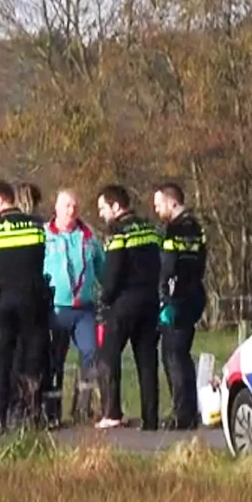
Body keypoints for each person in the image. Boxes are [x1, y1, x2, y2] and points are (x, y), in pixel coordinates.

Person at [0, 181, 49, 436]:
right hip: (32, 298)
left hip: (2, 300)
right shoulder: (37, 225)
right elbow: (40, 258)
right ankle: (29, 414)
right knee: (31, 358)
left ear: (0, 199)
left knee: (1, 360)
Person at [95, 184, 162, 430]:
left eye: (103, 208)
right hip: (150, 299)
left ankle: (111, 412)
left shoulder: (117, 230)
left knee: (108, 355)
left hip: (124, 302)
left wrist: (105, 299)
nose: (102, 214)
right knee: (146, 360)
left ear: (115, 206)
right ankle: (151, 418)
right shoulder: (150, 227)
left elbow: (113, 271)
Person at [45, 189, 106, 424]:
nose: (71, 211)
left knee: (90, 354)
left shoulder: (89, 236)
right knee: (54, 360)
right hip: (55, 308)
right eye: (67, 206)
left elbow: (103, 269)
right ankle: (52, 412)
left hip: (84, 309)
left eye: (75, 207)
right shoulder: (45, 235)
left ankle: (83, 407)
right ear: (56, 209)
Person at [154, 182, 207, 430]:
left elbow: (167, 267)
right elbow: (201, 261)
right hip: (195, 293)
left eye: (159, 204)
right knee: (182, 355)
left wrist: (164, 298)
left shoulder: (173, 231)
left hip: (178, 298)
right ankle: (188, 410)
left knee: (172, 356)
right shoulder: (197, 228)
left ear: (171, 202)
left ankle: (182, 415)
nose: (157, 210)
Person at [8, 182, 55, 426]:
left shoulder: (9, 228)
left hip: (15, 298)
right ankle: (35, 407)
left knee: (18, 354)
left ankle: (19, 406)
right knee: (36, 356)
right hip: (36, 297)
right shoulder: (38, 228)